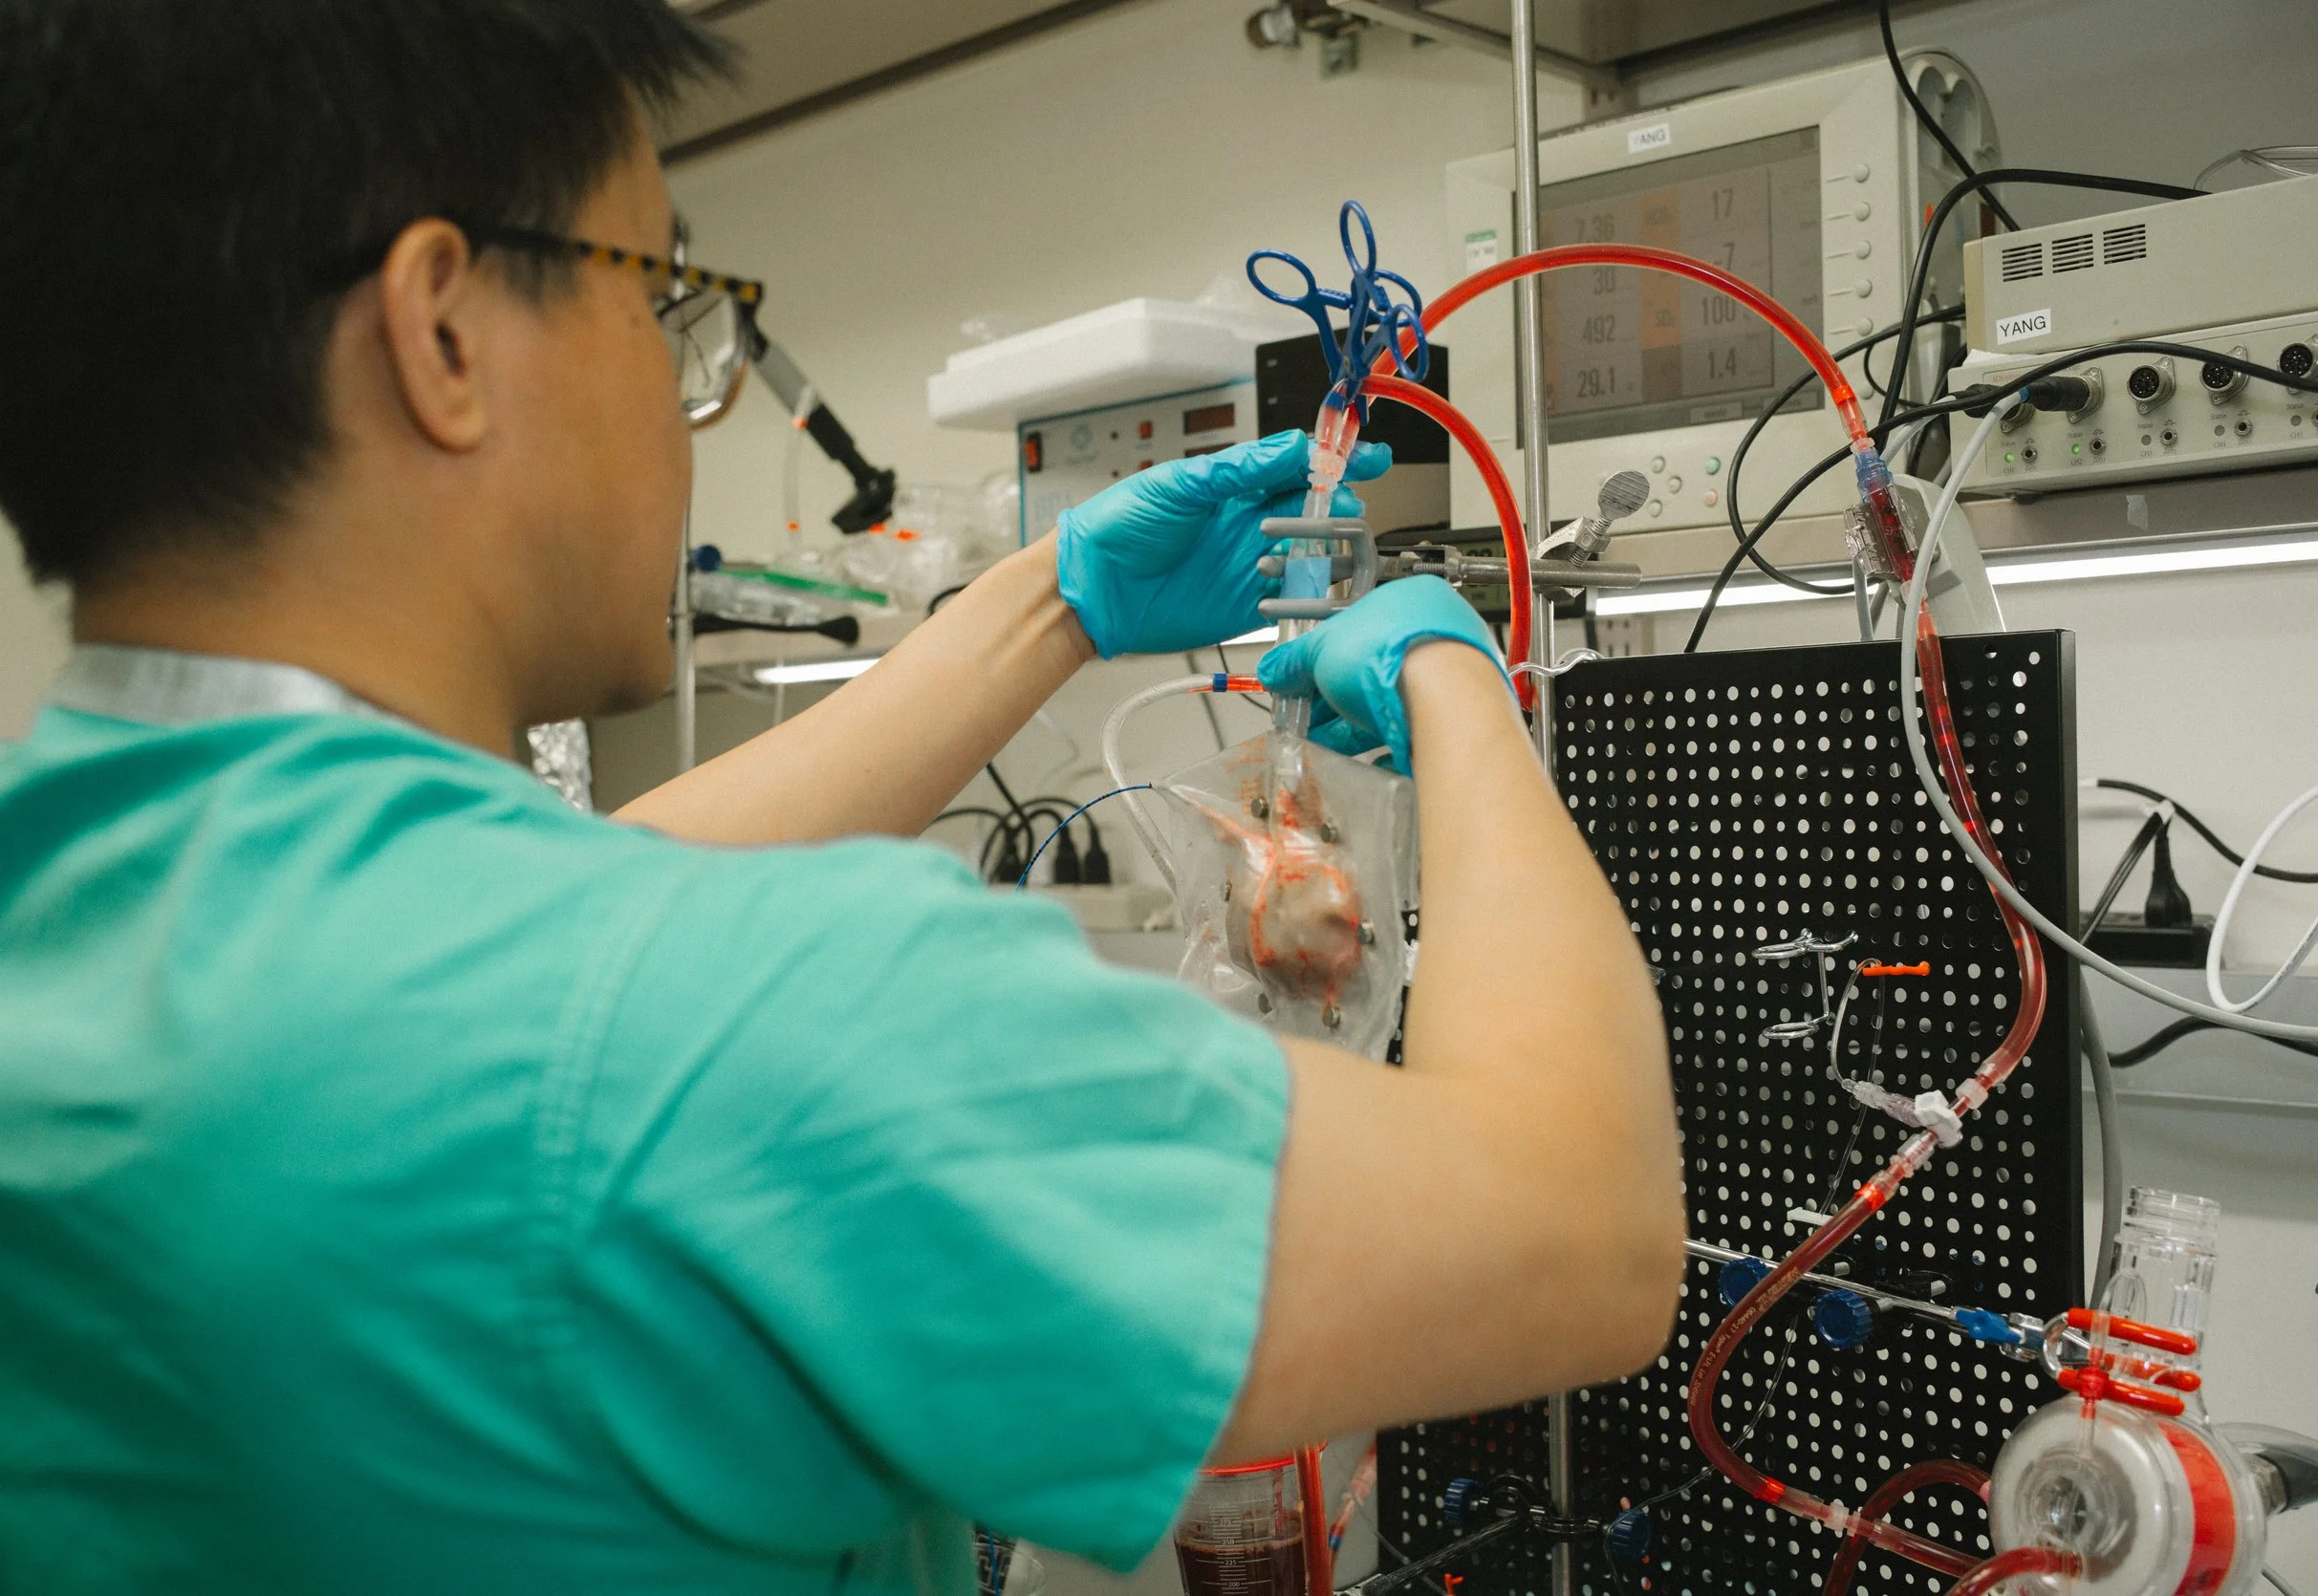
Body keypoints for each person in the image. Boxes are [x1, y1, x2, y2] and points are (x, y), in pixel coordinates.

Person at [0, 3, 1682, 1592]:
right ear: (443, 332)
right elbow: (1580, 1219)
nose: (684, 391)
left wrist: (1052, 603)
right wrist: (1458, 672)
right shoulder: (759, 1033)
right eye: (662, 304)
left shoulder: (86, 915)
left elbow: (562, 920)